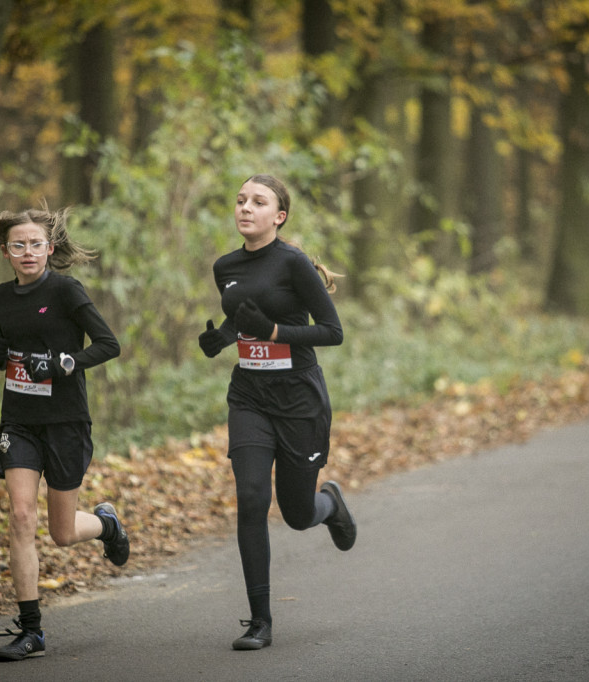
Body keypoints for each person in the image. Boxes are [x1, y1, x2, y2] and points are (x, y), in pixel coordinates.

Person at [198, 174, 357, 651]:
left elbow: (332, 332)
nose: (246, 207)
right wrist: (222, 338)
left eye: (258, 201)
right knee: (250, 499)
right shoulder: (224, 266)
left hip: (298, 401)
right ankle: (259, 621)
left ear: (279, 216)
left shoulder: (293, 264)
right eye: (241, 199)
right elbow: (239, 315)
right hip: (248, 397)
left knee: (296, 513)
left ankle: (328, 505)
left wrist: (271, 332)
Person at [0, 206, 126, 662]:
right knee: (22, 517)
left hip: (65, 421)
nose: (28, 252)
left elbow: (108, 344)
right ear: (5, 251)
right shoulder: (0, 297)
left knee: (62, 533)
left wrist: (64, 363)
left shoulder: (66, 291)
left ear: (49, 248)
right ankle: (31, 631)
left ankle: (106, 524)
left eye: (36, 244)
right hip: (19, 421)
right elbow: (0, 352)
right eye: (18, 245)